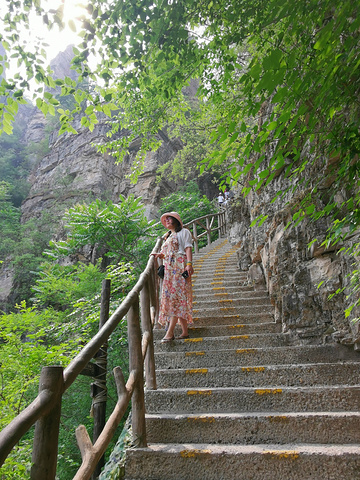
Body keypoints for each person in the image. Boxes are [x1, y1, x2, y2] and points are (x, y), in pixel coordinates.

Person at [151, 212, 194, 342]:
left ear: (176, 221)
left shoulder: (184, 232)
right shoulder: (168, 236)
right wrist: (159, 255)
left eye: (170, 219)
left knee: (176, 298)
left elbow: (187, 248)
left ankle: (170, 333)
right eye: (166, 219)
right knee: (175, 298)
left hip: (179, 266)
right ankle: (185, 331)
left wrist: (189, 264)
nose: (167, 220)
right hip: (169, 270)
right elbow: (167, 253)